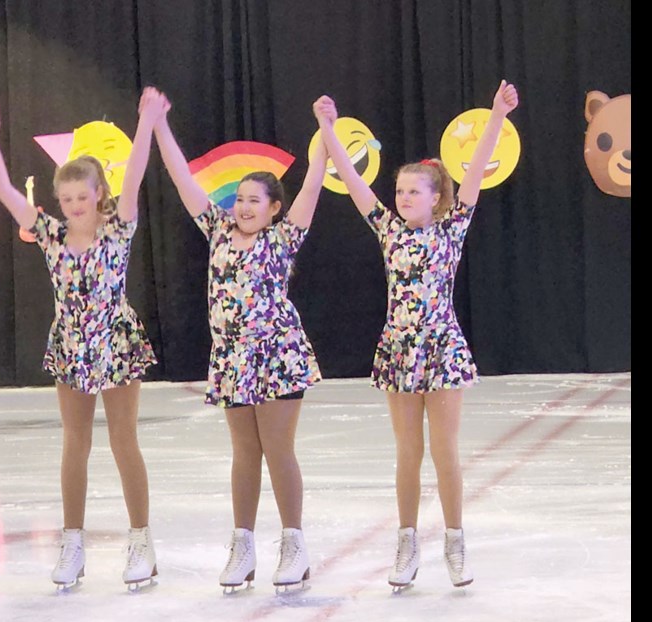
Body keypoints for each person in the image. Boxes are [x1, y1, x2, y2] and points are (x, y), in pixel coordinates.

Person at [314, 81, 519, 588]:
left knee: (445, 450)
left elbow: (475, 170)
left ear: (435, 197)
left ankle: (455, 540)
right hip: (399, 349)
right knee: (408, 453)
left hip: (443, 348)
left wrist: (495, 115)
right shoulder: (387, 229)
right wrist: (328, 130)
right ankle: (406, 544)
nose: (403, 197)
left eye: (413, 191)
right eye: (400, 191)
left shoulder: (452, 228)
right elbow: (354, 181)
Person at [0, 94, 159, 590]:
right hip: (72, 343)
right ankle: (72, 541)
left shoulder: (119, 229)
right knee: (75, 443)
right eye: (68, 199)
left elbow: (138, 171)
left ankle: (141, 538)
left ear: (100, 193)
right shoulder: (52, 235)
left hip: (115, 341)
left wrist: (145, 122)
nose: (76, 206)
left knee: (124, 440)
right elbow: (6, 190)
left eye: (84, 197)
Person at [147, 88, 327, 593]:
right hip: (230, 357)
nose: (244, 206)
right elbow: (182, 178)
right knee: (244, 453)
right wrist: (159, 124)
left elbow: (312, 185)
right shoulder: (219, 232)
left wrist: (325, 132)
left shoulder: (283, 238)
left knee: (277, 449)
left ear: (273, 209)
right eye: (240, 199)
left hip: (278, 353)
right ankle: (243, 544)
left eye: (255, 200)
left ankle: (294, 543)